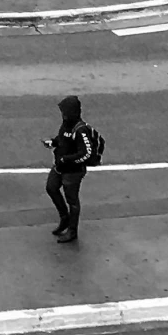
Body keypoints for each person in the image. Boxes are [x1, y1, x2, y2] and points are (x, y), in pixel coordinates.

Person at [43, 94, 96, 242]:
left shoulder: (80, 130)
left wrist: (67, 159)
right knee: (51, 188)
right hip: (60, 166)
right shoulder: (66, 124)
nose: (63, 114)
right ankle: (64, 218)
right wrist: (53, 142)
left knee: (72, 200)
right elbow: (62, 139)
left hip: (72, 172)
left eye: (65, 111)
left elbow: (86, 153)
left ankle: (72, 230)